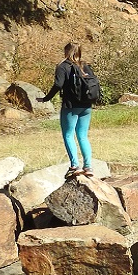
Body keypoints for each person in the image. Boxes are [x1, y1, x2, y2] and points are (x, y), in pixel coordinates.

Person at [37, 42, 96, 178]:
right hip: (86, 105)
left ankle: (75, 165)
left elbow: (58, 84)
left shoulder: (63, 66)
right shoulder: (84, 65)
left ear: (66, 52)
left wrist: (46, 98)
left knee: (68, 135)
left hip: (70, 106)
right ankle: (88, 167)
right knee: (82, 136)